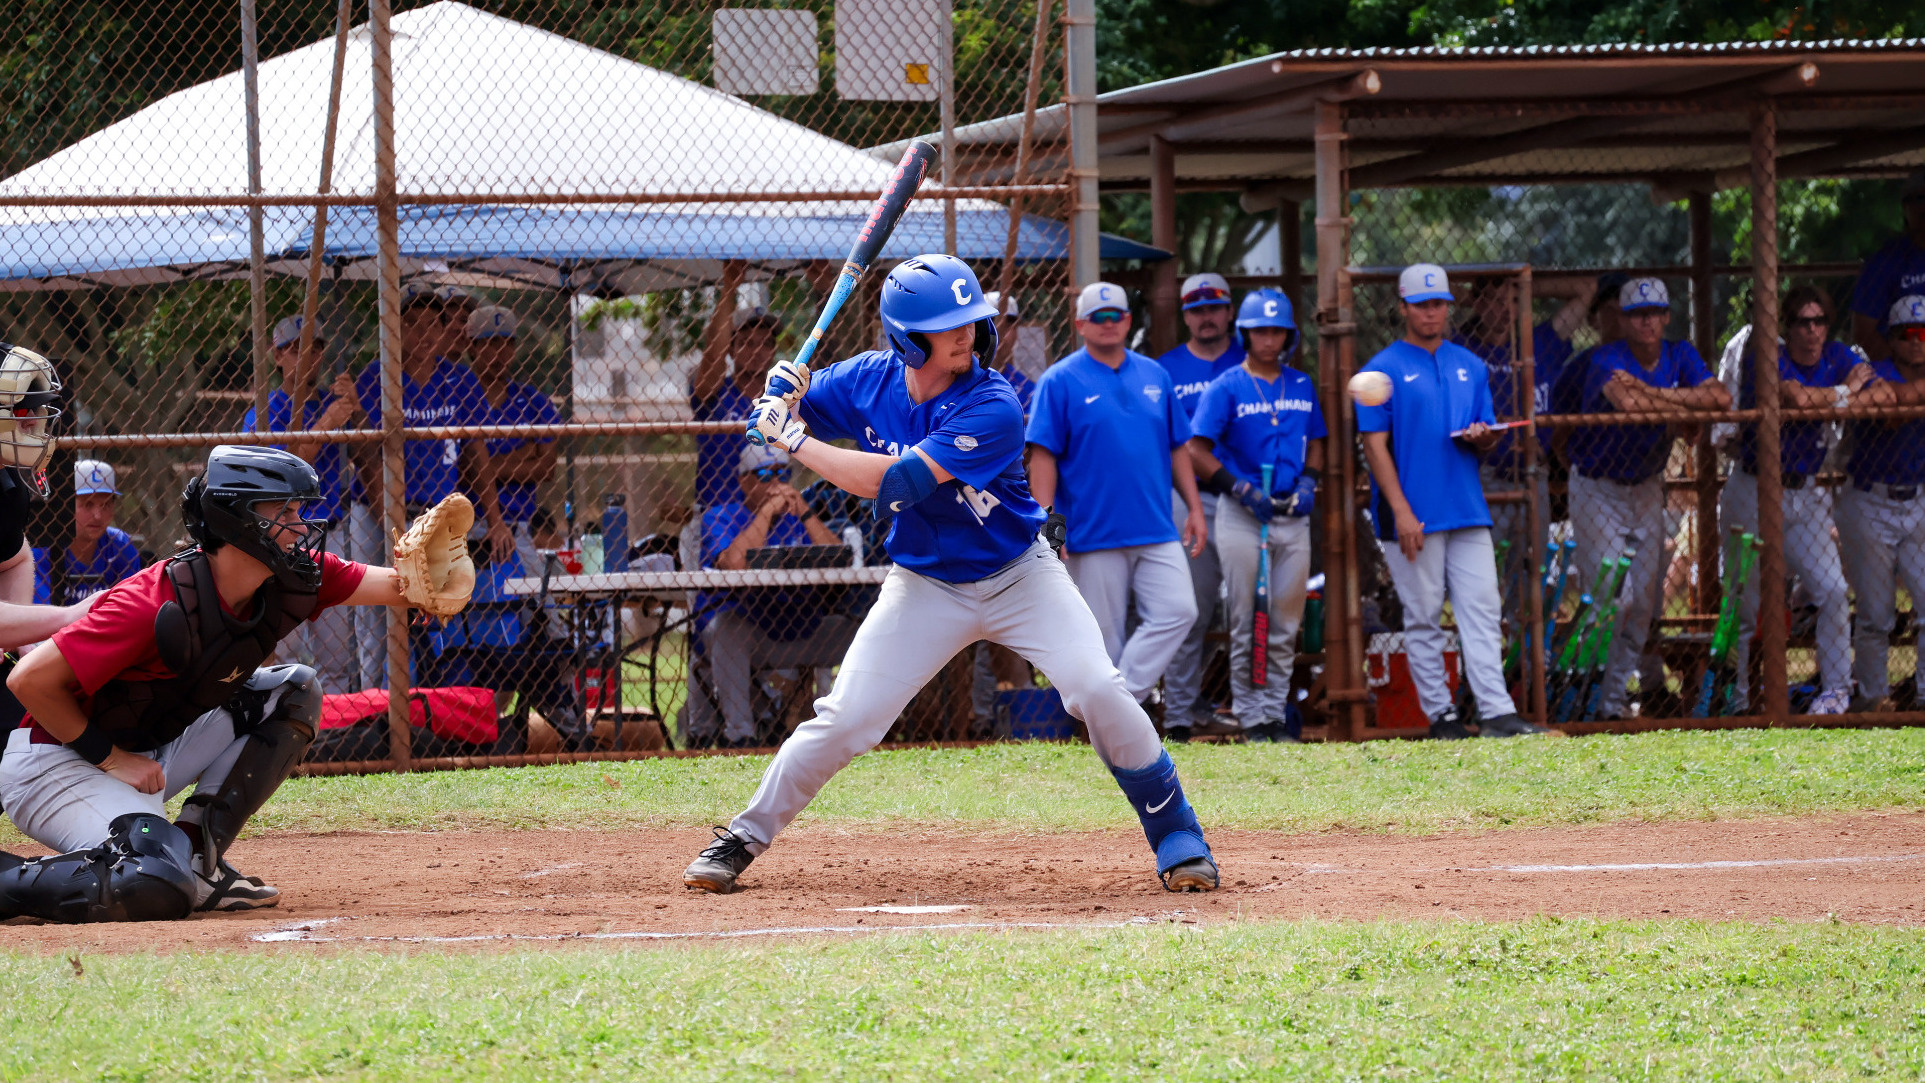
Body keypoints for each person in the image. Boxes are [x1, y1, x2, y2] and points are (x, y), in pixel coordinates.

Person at [682, 255, 1219, 895]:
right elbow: (795, 405)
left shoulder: (994, 404)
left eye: (972, 320)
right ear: (908, 340)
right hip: (925, 585)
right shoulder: (866, 380)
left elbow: (895, 482)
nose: (967, 334)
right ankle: (744, 835)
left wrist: (791, 440)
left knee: (1098, 689)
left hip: (1019, 575)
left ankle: (1177, 832)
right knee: (848, 716)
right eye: (949, 325)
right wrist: (780, 391)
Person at [0, 446, 472, 923]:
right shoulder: (151, 602)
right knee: (151, 880)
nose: (300, 526)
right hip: (55, 762)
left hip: (146, 748)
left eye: (298, 510)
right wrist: (110, 758)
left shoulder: (295, 577)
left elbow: (399, 585)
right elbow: (29, 680)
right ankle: (8, 882)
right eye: (283, 512)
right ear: (236, 521)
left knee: (293, 689)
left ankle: (198, 861)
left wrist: (427, 578)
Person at [1356, 264, 1550, 740]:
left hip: (1466, 507)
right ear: (1403, 308)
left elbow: (1483, 435)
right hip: (1412, 513)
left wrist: (1484, 437)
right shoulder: (1380, 370)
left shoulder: (1471, 364)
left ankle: (1496, 711)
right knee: (1423, 616)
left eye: (1439, 303)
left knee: (1483, 609)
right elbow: (1373, 446)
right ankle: (1441, 716)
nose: (1431, 312)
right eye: (1422, 304)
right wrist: (1401, 510)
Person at [1026, 282, 1205, 708]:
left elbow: (1178, 447)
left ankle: (1117, 703)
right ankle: (1113, 724)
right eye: (1098, 318)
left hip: (1156, 526)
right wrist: (1048, 522)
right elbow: (1043, 456)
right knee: (1102, 638)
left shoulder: (1155, 374)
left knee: (1180, 611)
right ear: (1081, 325)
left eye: (1116, 316)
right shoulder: (1059, 380)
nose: (1108, 324)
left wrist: (1195, 508)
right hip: (1093, 532)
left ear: (1127, 321)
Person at [1561, 278, 1730, 719]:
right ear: (1623, 318)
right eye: (1637, 314)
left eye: (1655, 312)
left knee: (1644, 607)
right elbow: (1630, 408)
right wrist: (1685, 409)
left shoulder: (1679, 354)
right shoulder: (1606, 358)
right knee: (1617, 600)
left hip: (1647, 488)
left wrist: (1656, 394)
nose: (1647, 321)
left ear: (1667, 315)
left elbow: (1722, 398)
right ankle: (1586, 688)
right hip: (1599, 489)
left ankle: (1612, 703)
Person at [1722, 286, 1873, 715]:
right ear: (1788, 327)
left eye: (1819, 321)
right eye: (1802, 322)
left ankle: (1835, 692)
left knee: (1831, 590)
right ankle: (1738, 696)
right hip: (1751, 489)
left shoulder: (1837, 355)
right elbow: (1795, 397)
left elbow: (1876, 391)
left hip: (1805, 493)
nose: (1812, 330)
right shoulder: (1769, 354)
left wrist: (1827, 396)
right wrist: (1842, 394)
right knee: (1745, 602)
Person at [1185, 289, 1324, 742]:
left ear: (1288, 334)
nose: (1269, 338)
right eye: (1261, 330)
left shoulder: (1300, 384)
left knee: (1285, 619)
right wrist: (1238, 487)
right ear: (1245, 333)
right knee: (1248, 616)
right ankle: (1250, 715)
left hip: (1290, 513)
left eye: (1277, 330)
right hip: (1243, 514)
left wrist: (1310, 481)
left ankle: (1273, 711)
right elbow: (1195, 447)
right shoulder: (1227, 385)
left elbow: (1317, 438)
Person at [693, 443, 858, 748]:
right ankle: (740, 735)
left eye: (783, 473)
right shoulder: (719, 516)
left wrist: (807, 513)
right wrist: (766, 513)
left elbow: (841, 559)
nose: (777, 483)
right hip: (751, 632)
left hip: (804, 628)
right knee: (727, 629)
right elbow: (734, 564)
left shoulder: (800, 514)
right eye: (765, 474)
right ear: (744, 480)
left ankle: (857, 729)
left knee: (861, 629)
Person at [242, 313, 360, 693]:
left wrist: (354, 412)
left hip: (332, 531)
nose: (304, 356)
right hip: (282, 539)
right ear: (277, 356)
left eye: (313, 348)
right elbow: (285, 473)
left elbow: (367, 457)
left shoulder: (335, 402)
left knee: (338, 657)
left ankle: (338, 742)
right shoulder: (264, 410)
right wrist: (328, 421)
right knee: (283, 651)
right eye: (294, 349)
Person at [1155, 272, 1247, 735]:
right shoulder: (1166, 368)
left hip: (1250, 501)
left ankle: (1251, 709)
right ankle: (1181, 714)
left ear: (1229, 311)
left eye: (1214, 307)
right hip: (1189, 500)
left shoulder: (1252, 359)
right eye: (1196, 309)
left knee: (1249, 610)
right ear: (1185, 315)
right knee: (1192, 608)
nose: (1206, 317)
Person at [1834, 295, 1925, 712]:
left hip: (1919, 499)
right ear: (1891, 338)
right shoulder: (1873, 373)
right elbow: (1891, 412)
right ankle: (1872, 699)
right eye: (1907, 334)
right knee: (1875, 614)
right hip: (1870, 501)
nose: (1917, 342)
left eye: (1924, 333)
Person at [466, 304, 559, 577]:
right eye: (491, 343)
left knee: (546, 612)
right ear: (472, 346)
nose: (500, 353)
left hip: (518, 528)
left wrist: (485, 467)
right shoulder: (459, 396)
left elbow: (547, 468)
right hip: (464, 530)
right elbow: (460, 470)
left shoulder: (534, 401)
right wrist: (524, 453)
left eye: (508, 344)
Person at [691, 305, 782, 510]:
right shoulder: (716, 392)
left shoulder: (781, 399)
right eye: (746, 343)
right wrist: (730, 287)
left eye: (766, 344)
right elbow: (713, 357)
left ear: (774, 351)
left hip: (771, 513)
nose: (757, 351)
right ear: (730, 350)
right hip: (718, 512)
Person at [34, 460, 141, 606]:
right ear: (66, 504)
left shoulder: (120, 545)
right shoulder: (42, 549)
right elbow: (43, 618)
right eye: (87, 504)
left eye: (105, 504)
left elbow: (130, 608)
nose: (97, 515)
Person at [1850, 168, 1925, 361]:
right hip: (1901, 369)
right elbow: (1864, 332)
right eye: (1917, 198)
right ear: (1904, 208)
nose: (1924, 206)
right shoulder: (1885, 262)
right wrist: (1905, 372)